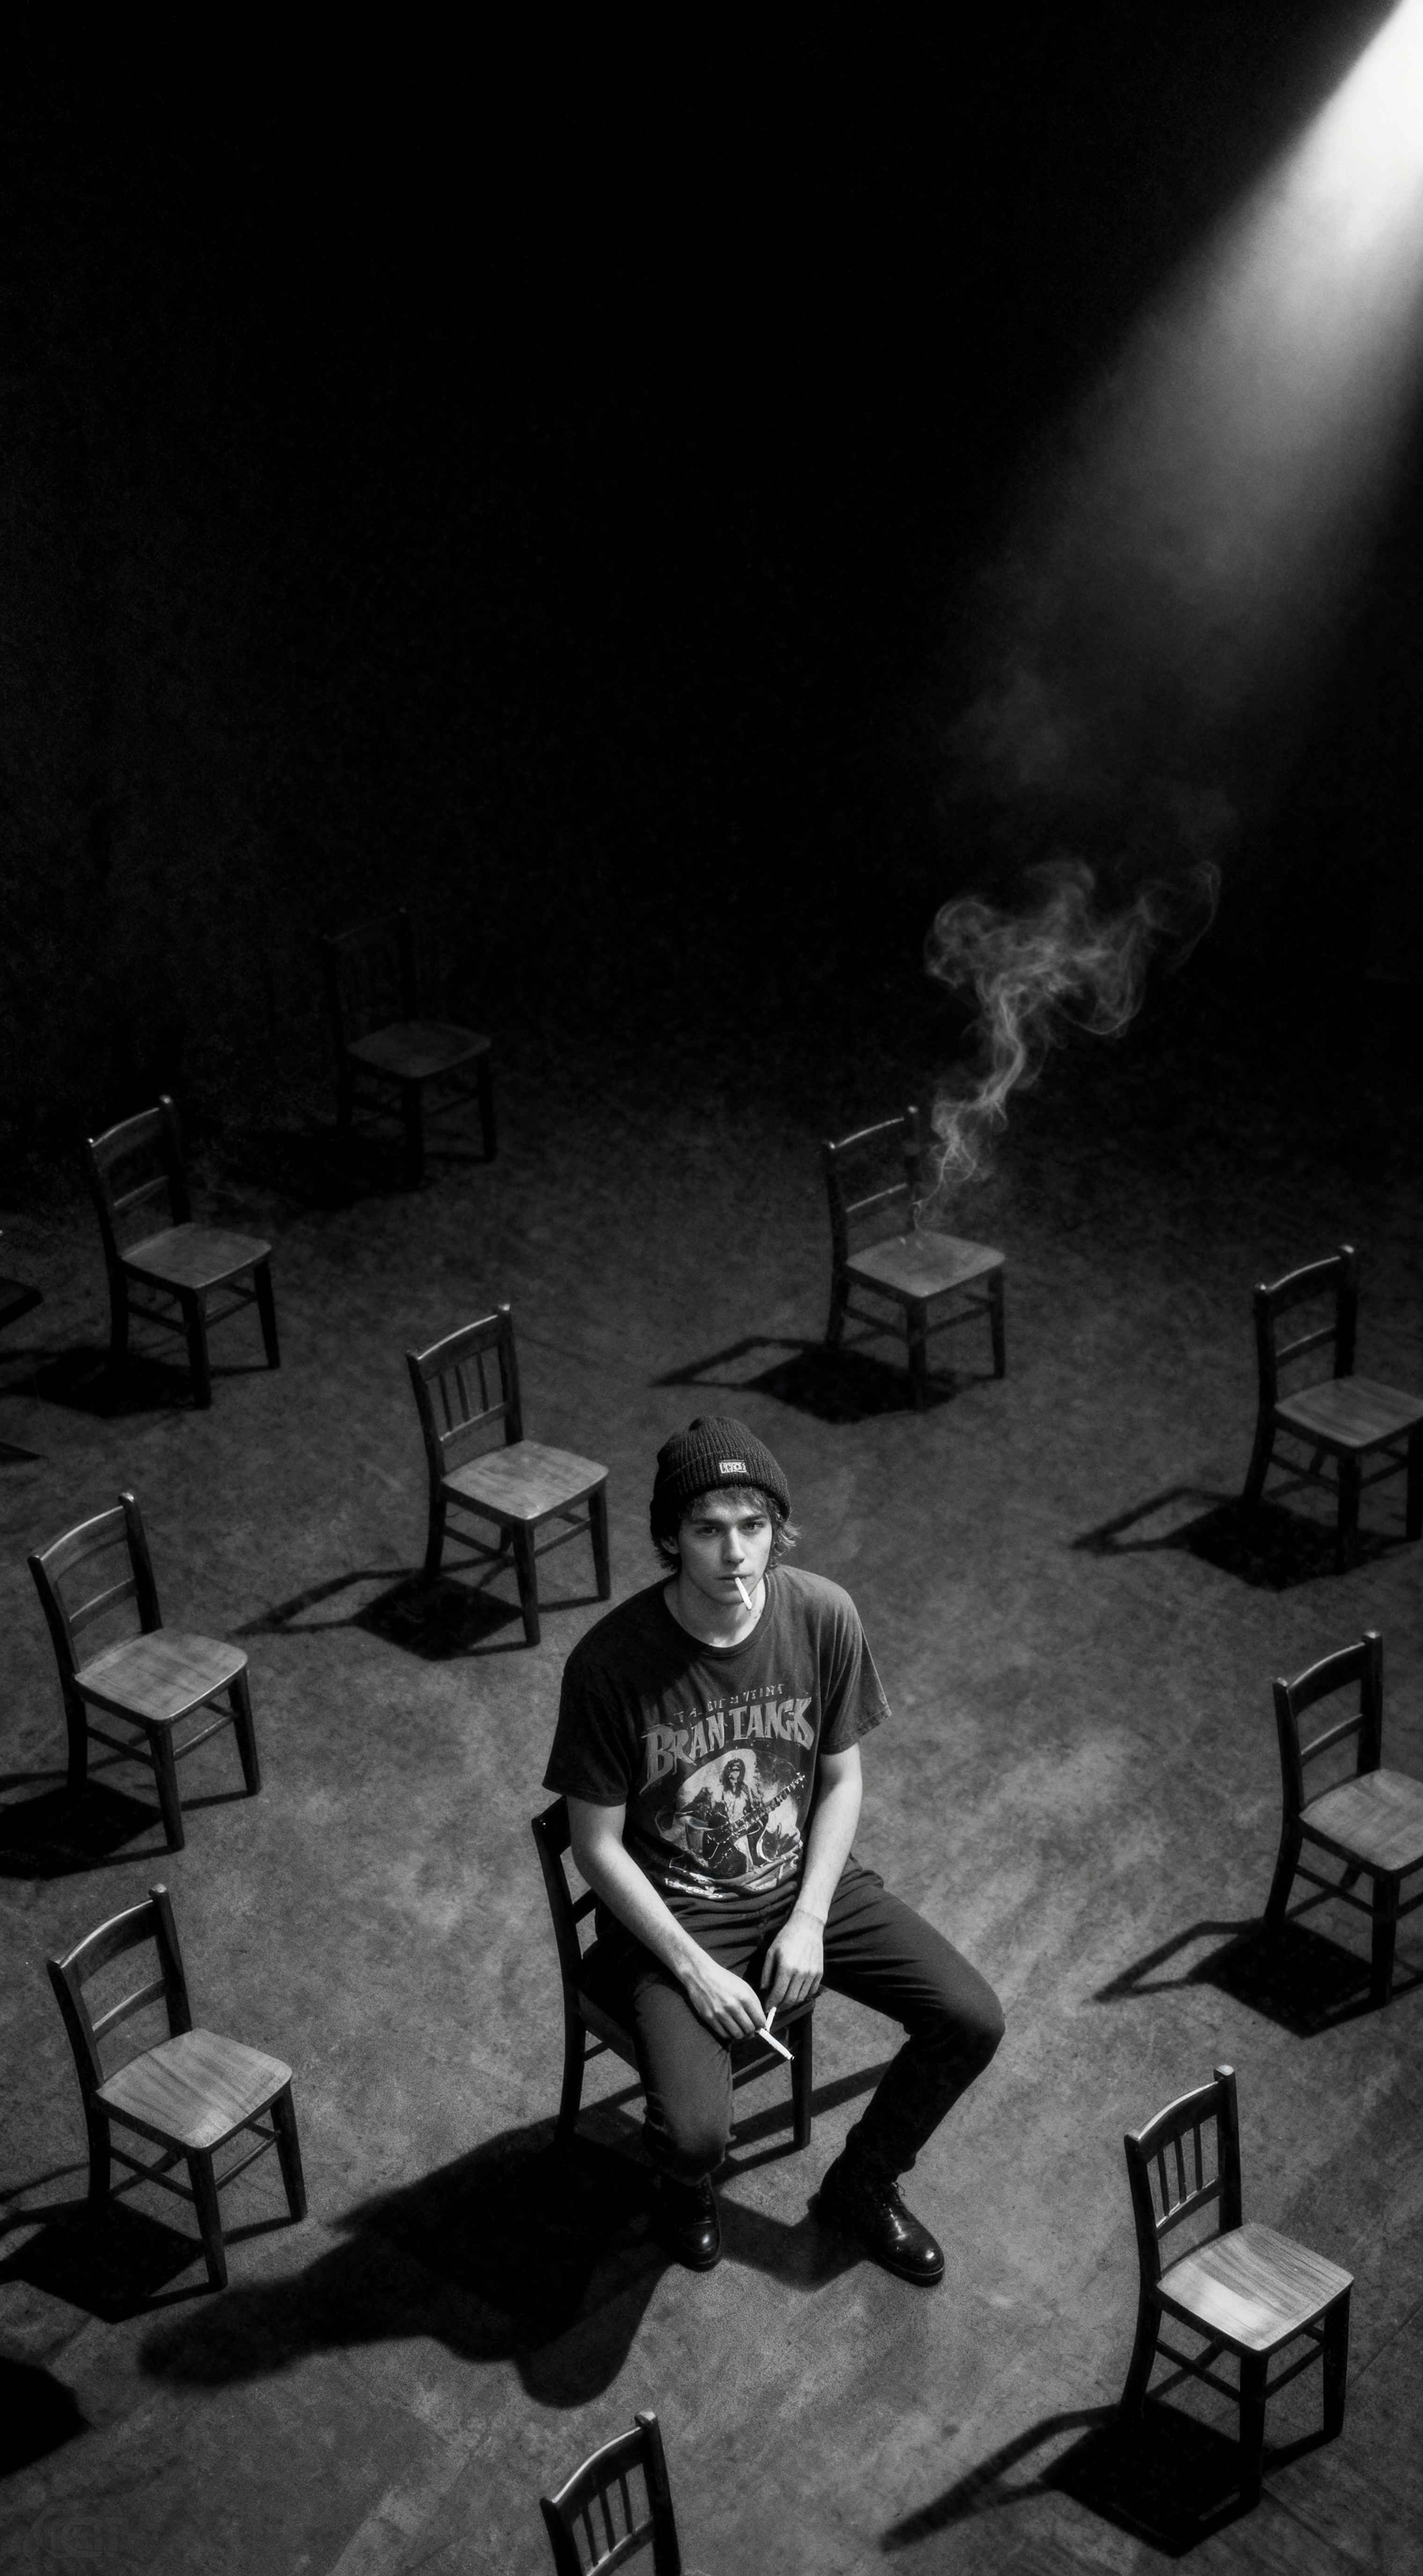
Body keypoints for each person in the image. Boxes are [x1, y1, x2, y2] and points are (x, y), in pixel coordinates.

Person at [543, 1415, 1005, 2283]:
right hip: (679, 1910)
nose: (734, 1554)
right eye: (708, 1530)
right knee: (693, 2138)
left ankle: (863, 2185)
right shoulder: (610, 1664)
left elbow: (841, 1780)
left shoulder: (821, 1615)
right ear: (670, 1539)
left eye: (752, 1527)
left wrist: (811, 1919)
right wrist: (693, 1969)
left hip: (793, 1879)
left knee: (971, 2019)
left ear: (775, 1531)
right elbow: (594, 1846)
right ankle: (685, 2186)